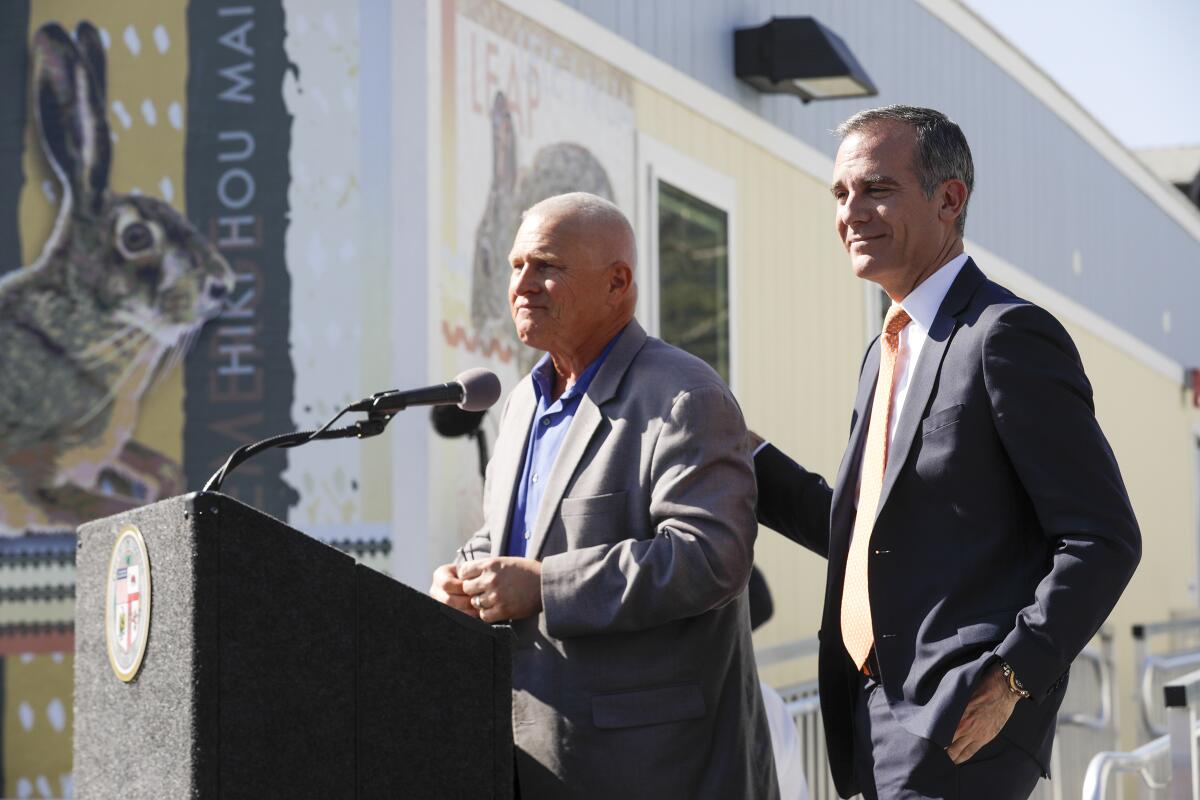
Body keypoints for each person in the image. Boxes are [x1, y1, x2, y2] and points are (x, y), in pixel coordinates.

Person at [753, 105, 1141, 799]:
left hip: (962, 725)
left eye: (876, 189)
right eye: (840, 195)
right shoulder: (884, 352)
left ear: (949, 199)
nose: (851, 212)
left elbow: (1103, 537)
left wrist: (1013, 677)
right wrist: (744, 456)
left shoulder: (1006, 335)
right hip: (868, 719)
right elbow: (869, 534)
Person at [430, 192, 778, 799]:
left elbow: (709, 557)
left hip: (654, 769)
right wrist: (466, 575)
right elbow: (513, 538)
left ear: (618, 283)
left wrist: (544, 584)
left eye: (547, 267)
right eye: (516, 266)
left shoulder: (683, 396)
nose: (523, 285)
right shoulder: (521, 405)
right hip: (531, 756)